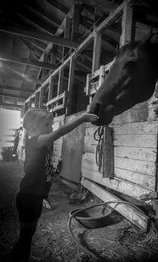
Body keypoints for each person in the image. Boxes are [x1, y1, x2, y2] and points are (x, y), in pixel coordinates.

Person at [11, 108, 98, 262]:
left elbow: (42, 175)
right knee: (25, 238)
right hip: (28, 197)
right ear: (33, 127)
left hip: (35, 197)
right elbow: (59, 132)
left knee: (29, 235)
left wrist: (44, 196)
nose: (51, 128)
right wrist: (81, 119)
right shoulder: (34, 141)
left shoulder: (41, 145)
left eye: (51, 125)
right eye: (47, 125)